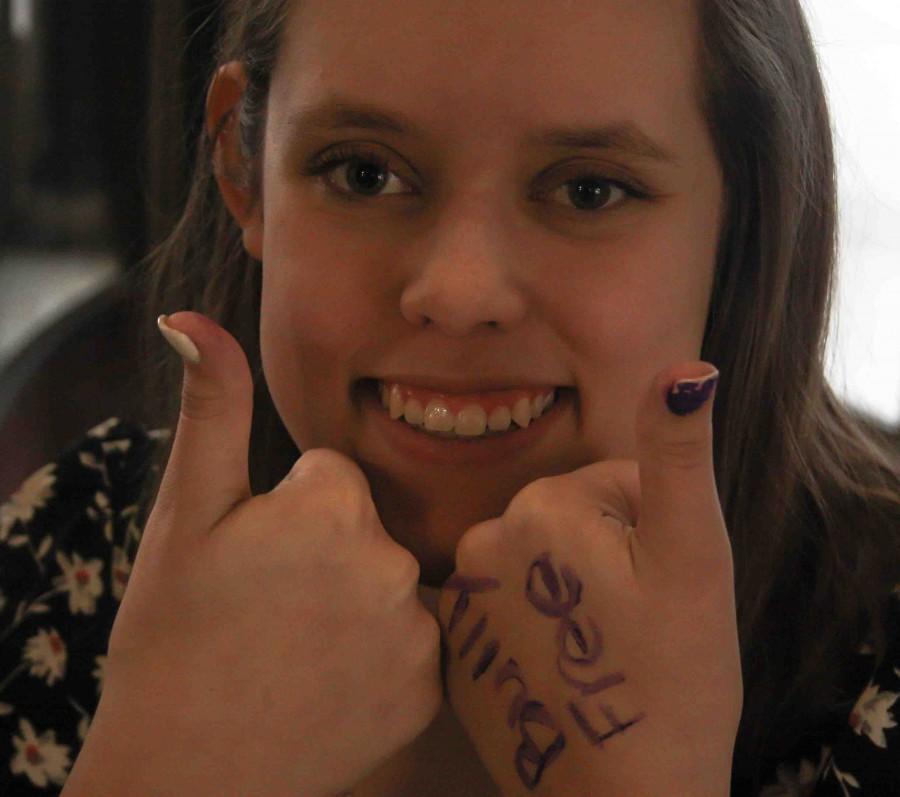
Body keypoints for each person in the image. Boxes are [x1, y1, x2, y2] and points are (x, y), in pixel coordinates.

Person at [0, 0, 897, 794]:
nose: (459, 291)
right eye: (364, 173)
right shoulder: (69, 552)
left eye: (589, 190)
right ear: (244, 162)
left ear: (740, 217)